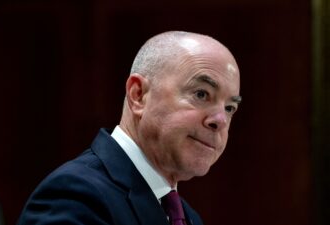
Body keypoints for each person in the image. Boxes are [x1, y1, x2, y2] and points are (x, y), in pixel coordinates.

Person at [17, 31, 241, 225]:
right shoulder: (75, 195)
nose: (220, 120)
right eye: (201, 94)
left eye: (230, 108)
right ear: (138, 95)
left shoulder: (188, 217)